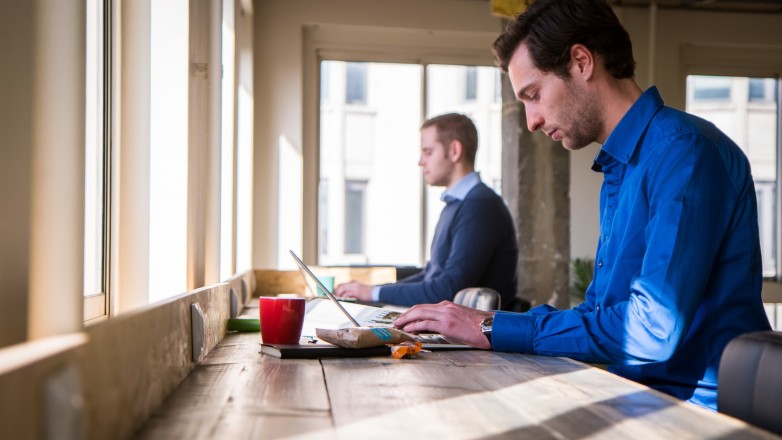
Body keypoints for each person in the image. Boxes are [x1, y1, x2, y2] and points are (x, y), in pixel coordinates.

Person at [394, 0, 771, 411]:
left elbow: (651, 330)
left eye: (534, 95)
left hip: (692, 412)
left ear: (580, 61)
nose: (532, 121)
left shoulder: (684, 151)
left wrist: (489, 325)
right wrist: (486, 328)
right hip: (629, 393)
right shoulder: (620, 166)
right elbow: (600, 312)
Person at [334, 113, 519, 310]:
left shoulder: (480, 206)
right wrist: (372, 291)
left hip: (473, 339)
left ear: (455, 151)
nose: (421, 161)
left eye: (428, 152)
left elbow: (447, 290)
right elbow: (431, 275)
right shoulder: (459, 203)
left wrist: (372, 293)